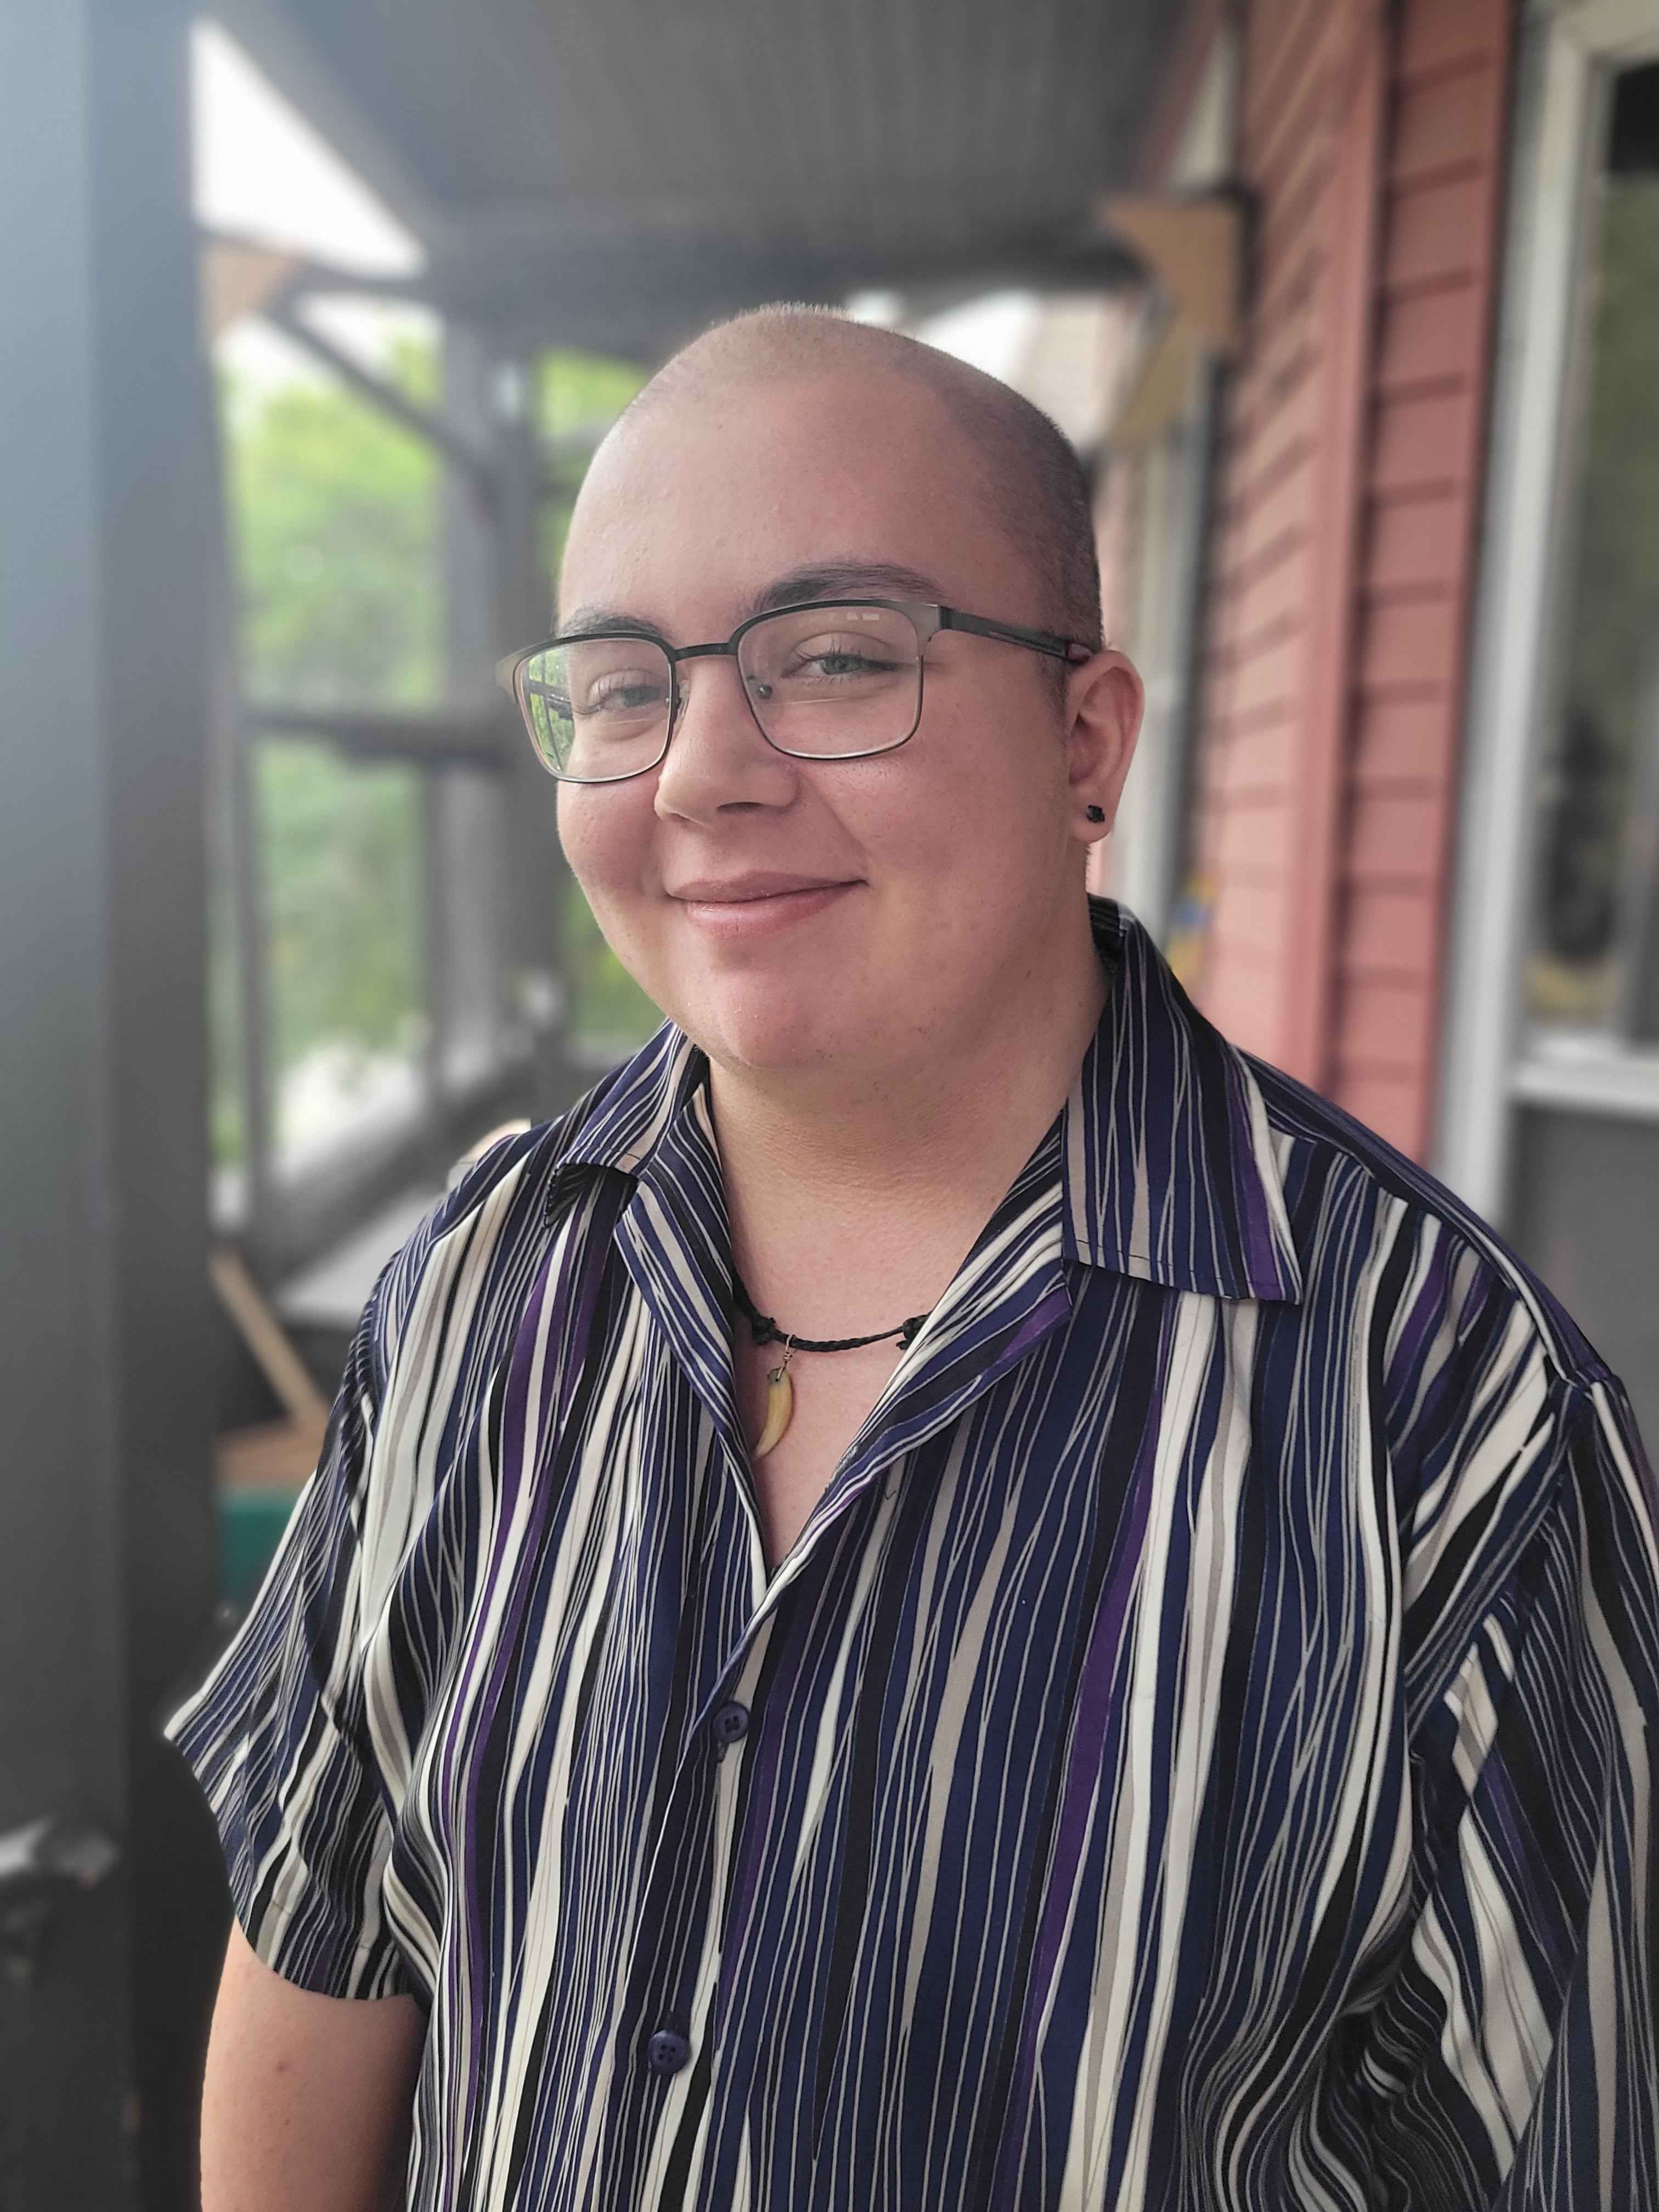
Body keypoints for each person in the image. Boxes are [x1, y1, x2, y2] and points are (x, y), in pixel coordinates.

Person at [170, 307, 1659, 2212]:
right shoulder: (481, 1295)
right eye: (625, 689)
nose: (701, 772)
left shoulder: (1456, 1424)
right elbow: (324, 1948)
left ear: (1085, 736)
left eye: (840, 657)